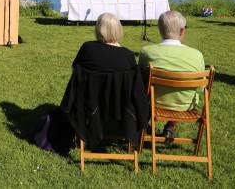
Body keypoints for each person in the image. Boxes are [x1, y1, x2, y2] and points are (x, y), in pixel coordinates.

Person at [35, 13, 148, 154]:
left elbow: (75, 71)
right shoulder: (128, 56)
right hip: (120, 109)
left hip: (88, 106)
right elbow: (135, 89)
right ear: (118, 30)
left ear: (98, 29)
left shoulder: (88, 49)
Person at [139, 10, 205, 142]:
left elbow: (140, 81)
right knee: (175, 91)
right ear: (182, 31)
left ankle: (142, 126)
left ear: (160, 30)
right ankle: (171, 125)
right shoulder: (196, 55)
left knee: (148, 88)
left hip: (154, 102)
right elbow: (201, 88)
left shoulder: (147, 52)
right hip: (185, 104)